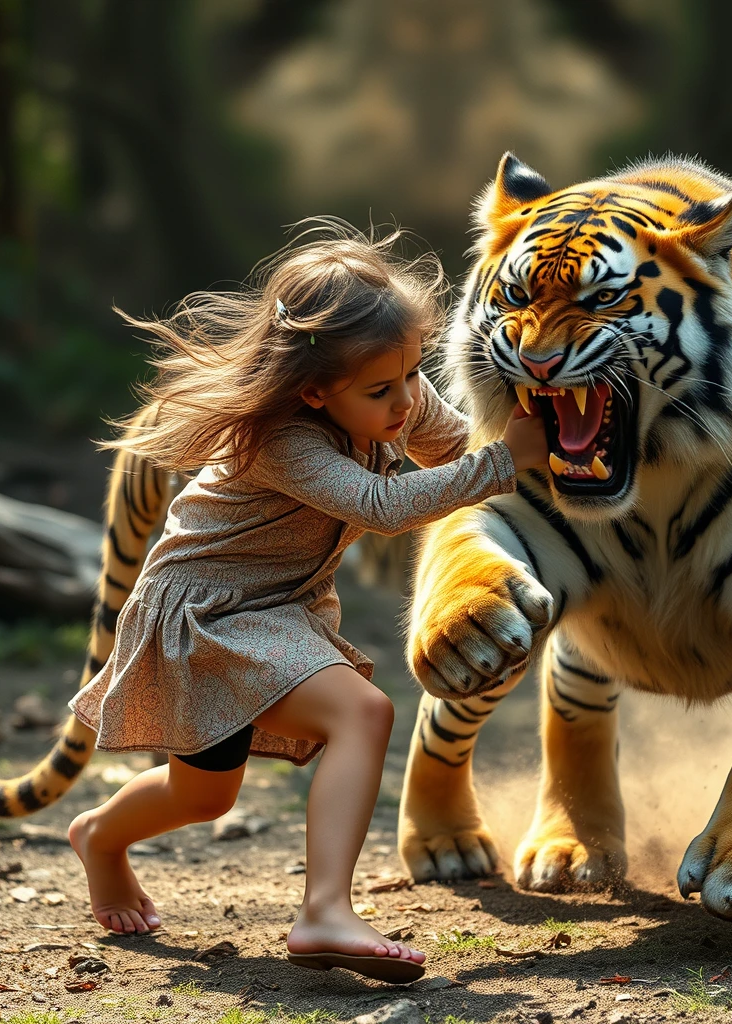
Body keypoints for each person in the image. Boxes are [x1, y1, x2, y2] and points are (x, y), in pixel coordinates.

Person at [66, 220, 548, 984]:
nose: (404, 402)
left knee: (204, 794)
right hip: (206, 613)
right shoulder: (282, 440)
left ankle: (99, 835)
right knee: (350, 717)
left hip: (279, 609)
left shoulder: (397, 394)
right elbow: (383, 504)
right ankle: (325, 910)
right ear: (314, 389)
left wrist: (536, 425)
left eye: (413, 374)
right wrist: (502, 462)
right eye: (382, 390)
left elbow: (450, 449)